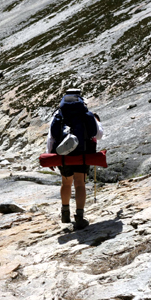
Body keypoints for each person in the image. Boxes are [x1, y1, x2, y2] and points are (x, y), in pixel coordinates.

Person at [46, 88, 103, 229]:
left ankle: (65, 213)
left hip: (63, 154)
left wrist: (49, 154)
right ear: (80, 98)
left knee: (66, 183)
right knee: (80, 184)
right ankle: (79, 217)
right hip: (82, 154)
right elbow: (99, 134)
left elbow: (51, 137)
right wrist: (96, 121)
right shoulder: (86, 113)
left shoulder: (58, 114)